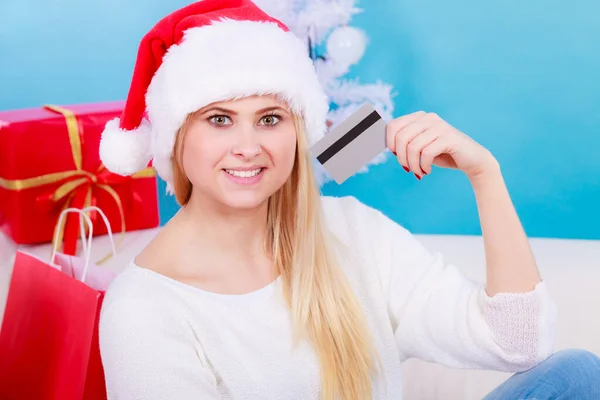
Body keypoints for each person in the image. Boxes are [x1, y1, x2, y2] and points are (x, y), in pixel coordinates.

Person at [97, 1, 600, 399]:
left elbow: (519, 342)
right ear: (175, 137)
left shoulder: (352, 232)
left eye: (270, 119)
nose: (248, 146)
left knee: (574, 375)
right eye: (219, 119)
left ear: (297, 132)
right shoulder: (143, 309)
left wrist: (485, 174)